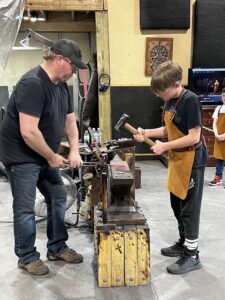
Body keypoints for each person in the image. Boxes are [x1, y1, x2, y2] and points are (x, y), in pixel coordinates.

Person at [0, 39, 87, 275]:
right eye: (73, 66)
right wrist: (51, 156)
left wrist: (75, 149)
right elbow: (28, 132)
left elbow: (70, 120)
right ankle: (27, 256)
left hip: (43, 154)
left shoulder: (60, 84)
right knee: (25, 208)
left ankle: (57, 246)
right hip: (21, 156)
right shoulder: (33, 84)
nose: (74, 72)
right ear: (60, 60)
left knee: (58, 196)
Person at [134, 61, 208, 275]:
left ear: (176, 85)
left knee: (189, 209)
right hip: (177, 159)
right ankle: (183, 243)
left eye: (161, 91)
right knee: (177, 203)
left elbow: (194, 136)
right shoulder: (170, 101)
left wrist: (164, 147)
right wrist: (147, 132)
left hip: (192, 160)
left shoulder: (191, 100)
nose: (158, 95)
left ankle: (192, 255)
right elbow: (169, 129)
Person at [209, 88, 225, 186]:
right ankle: (218, 177)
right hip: (219, 138)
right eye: (223, 96)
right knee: (219, 158)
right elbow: (214, 123)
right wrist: (216, 134)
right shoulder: (218, 108)